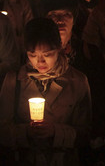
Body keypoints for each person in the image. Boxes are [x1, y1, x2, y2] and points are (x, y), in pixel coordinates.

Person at [0, 18, 92, 165]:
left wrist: (55, 131)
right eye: (33, 55)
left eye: (47, 54)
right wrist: (26, 132)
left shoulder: (77, 81)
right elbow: (2, 130)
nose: (40, 62)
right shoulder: (15, 80)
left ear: (59, 47)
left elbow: (86, 133)